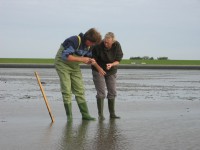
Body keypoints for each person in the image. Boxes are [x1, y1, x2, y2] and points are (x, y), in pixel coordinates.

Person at [54, 28, 102, 121]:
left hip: (74, 66)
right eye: (93, 43)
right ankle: (69, 117)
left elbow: (87, 57)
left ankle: (85, 115)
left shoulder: (90, 46)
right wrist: (82, 59)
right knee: (67, 90)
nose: (93, 45)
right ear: (88, 40)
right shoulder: (74, 40)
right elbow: (65, 56)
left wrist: (89, 61)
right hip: (62, 64)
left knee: (79, 89)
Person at [91, 32, 123, 120]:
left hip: (111, 70)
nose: (105, 44)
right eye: (105, 42)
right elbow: (92, 60)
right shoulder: (97, 46)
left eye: (107, 43)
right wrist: (99, 69)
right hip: (97, 69)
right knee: (101, 93)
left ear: (112, 42)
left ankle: (112, 114)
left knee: (112, 91)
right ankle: (100, 115)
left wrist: (112, 64)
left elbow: (118, 60)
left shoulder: (117, 45)